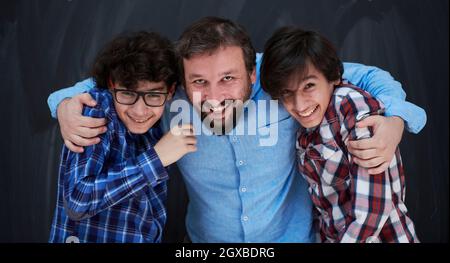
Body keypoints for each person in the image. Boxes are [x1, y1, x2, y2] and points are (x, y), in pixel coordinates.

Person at [47, 17, 426, 242]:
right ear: (180, 79)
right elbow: (108, 85)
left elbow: (367, 77)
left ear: (252, 71)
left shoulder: (282, 80)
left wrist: (397, 120)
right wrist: (63, 104)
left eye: (228, 78)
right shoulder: (165, 94)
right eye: (199, 81)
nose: (213, 95)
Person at [260, 27, 419, 243]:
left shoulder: (351, 106)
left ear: (333, 76)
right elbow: (325, 209)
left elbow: (373, 209)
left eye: (309, 86)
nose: (299, 104)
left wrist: (398, 119)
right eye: (287, 93)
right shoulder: (304, 132)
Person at [49, 31, 197, 243]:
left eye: (154, 95)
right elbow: (78, 200)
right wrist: (156, 159)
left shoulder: (156, 127)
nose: (139, 111)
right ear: (111, 84)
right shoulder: (97, 110)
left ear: (171, 91)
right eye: (127, 94)